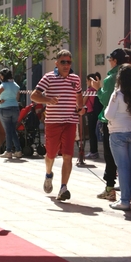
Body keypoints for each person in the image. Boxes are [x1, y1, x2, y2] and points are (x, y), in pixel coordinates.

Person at [30, 49, 85, 201]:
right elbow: (34, 95)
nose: (66, 65)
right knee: (51, 154)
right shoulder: (48, 78)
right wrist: (48, 100)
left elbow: (79, 95)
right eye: (63, 62)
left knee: (68, 156)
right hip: (53, 122)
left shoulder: (75, 79)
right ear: (57, 63)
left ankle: (63, 188)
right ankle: (48, 174)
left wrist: (80, 108)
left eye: (68, 62)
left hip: (70, 122)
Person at [92, 48, 129, 201]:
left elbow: (106, 104)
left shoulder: (111, 80)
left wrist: (98, 89)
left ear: (114, 60)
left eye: (110, 59)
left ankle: (110, 188)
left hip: (114, 126)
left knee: (113, 159)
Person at [104, 63, 131, 210]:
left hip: (118, 133)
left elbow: (108, 114)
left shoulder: (117, 94)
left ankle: (125, 200)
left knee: (123, 168)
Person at [0, 68, 22, 158]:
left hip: (4, 108)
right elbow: (17, 98)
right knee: (12, 130)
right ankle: (18, 150)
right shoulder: (16, 85)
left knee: (8, 130)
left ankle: (9, 151)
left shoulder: (3, 85)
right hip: (15, 108)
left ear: (3, 76)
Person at [83, 72, 103, 159]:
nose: (86, 82)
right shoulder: (99, 90)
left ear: (90, 81)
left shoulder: (89, 91)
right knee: (96, 133)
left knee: (92, 134)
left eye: (87, 80)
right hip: (97, 113)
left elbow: (82, 102)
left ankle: (93, 152)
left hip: (91, 113)